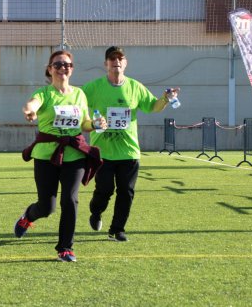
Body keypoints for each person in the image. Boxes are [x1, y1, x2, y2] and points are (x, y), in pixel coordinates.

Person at [14, 50, 104, 262]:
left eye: (68, 65)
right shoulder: (45, 93)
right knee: (47, 206)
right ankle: (28, 216)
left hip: (74, 154)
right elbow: (31, 105)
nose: (63, 68)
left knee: (70, 200)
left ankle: (65, 248)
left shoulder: (80, 94)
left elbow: (84, 123)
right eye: (58, 64)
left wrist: (95, 124)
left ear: (72, 69)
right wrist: (30, 111)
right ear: (49, 69)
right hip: (47, 155)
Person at [82, 46, 180, 242]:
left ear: (125, 63)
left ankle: (117, 229)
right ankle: (96, 211)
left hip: (129, 151)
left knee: (126, 192)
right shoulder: (93, 87)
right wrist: (89, 121)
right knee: (104, 190)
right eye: (112, 59)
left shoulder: (135, 87)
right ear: (106, 64)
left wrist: (166, 99)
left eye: (120, 58)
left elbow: (153, 106)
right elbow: (79, 104)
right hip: (103, 152)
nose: (116, 61)